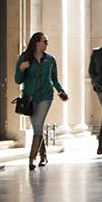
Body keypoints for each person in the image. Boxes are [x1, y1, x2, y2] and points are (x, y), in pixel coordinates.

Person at [14, 32, 68, 171]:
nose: (47, 44)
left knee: (38, 124)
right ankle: (43, 155)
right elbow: (17, 80)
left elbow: (54, 79)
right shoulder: (24, 58)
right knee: (38, 127)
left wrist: (60, 91)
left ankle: (31, 158)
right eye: (45, 41)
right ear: (37, 43)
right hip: (30, 98)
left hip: (46, 96)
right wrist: (21, 69)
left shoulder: (50, 60)